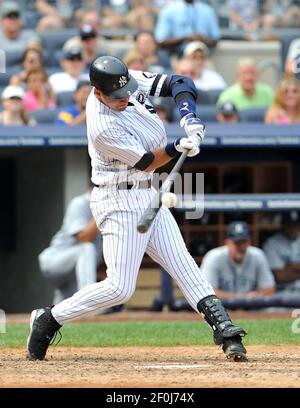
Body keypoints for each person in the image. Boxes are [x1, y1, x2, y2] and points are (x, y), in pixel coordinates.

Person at [27, 55, 247, 362]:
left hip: (147, 193)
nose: (125, 97)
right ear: (98, 92)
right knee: (120, 288)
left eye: (126, 90)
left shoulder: (124, 81)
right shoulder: (102, 124)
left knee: (183, 263)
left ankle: (226, 331)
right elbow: (146, 162)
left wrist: (188, 117)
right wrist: (177, 147)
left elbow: (180, 83)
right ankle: (48, 320)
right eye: (116, 96)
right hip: (117, 199)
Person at [38, 188, 102, 304]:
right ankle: (89, 300)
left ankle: (48, 319)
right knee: (87, 248)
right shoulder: (80, 203)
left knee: (65, 311)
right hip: (55, 262)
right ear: (91, 190)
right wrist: (101, 211)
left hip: (73, 274)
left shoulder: (109, 208)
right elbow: (84, 238)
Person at [201, 221, 275, 301]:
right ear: (227, 243)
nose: (241, 247)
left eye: (244, 242)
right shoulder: (214, 257)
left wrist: (257, 296)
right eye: (237, 243)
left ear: (249, 242)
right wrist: (241, 297)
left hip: (252, 309)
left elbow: (269, 289)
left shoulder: (257, 255)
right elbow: (205, 292)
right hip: (221, 309)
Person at [154, 0, 220, 55]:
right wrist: (184, 38)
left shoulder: (207, 10)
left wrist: (202, 39)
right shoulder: (168, 10)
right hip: (177, 56)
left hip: (203, 56)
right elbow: (160, 41)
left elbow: (215, 39)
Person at [263, 210, 300, 293]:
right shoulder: (271, 243)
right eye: (289, 226)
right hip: (282, 293)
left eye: (296, 226)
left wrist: (290, 267)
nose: (293, 230)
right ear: (282, 225)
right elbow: (279, 277)